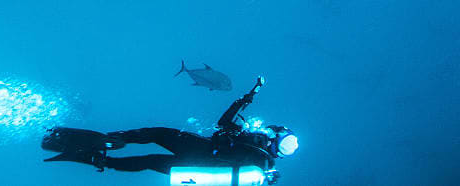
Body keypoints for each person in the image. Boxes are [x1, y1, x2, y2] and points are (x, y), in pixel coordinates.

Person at [42, 77, 298, 184]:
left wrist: (247, 97)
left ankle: (113, 140)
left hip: (199, 148)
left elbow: (224, 122)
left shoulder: (256, 142)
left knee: (157, 133)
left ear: (276, 137)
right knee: (148, 161)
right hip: (192, 170)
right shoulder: (262, 167)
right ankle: (102, 160)